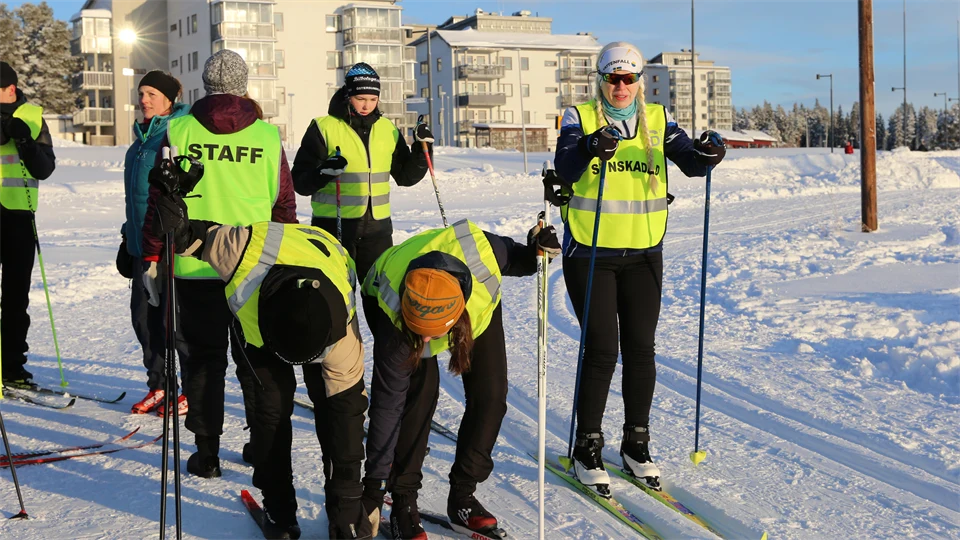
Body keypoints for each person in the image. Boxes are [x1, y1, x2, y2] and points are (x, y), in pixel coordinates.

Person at [553, 42, 726, 497]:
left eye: (630, 79)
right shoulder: (580, 116)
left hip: (645, 251)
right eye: (614, 78)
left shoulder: (658, 120)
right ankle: (587, 445)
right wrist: (592, 145)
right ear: (600, 80)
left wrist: (708, 154)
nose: (622, 86)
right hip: (590, 251)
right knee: (602, 349)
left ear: (640, 81)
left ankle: (636, 442)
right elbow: (566, 166)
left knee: (641, 349)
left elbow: (689, 161)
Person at [151, 183, 369, 540]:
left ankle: (340, 510)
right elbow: (190, 236)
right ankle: (281, 511)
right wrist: (172, 213)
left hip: (320, 281)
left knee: (338, 411)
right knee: (271, 411)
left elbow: (348, 418)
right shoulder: (242, 251)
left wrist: (348, 506)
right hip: (265, 322)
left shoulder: (343, 333)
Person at [142, 50, 297, 479]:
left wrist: (153, 255)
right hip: (253, 262)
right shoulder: (267, 137)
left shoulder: (179, 128)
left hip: (193, 264)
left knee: (204, 361)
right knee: (255, 357)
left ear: (204, 86)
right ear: (244, 87)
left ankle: (207, 453)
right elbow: (284, 203)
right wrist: (288, 254)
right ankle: (260, 446)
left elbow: (160, 199)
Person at [359, 219, 560, 539]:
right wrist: (372, 490)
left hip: (469, 308)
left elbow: (524, 259)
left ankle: (463, 496)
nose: (426, 343)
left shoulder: (484, 257)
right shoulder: (394, 314)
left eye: (433, 336)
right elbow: (387, 407)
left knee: (491, 396)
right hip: (391, 298)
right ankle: (402, 501)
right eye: (420, 335)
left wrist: (540, 249)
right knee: (420, 394)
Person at [291, 62, 433, 282]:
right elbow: (299, 183)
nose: (367, 105)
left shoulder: (387, 129)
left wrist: (422, 148)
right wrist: (324, 172)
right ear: (348, 95)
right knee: (336, 297)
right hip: (333, 228)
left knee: (381, 297)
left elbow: (406, 177)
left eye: (373, 99)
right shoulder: (323, 127)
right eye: (361, 99)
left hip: (378, 231)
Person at [118, 70, 191, 415]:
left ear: (170, 99)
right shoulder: (140, 142)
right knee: (143, 320)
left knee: (173, 322)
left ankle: (189, 389)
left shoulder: (176, 135)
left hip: (166, 245)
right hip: (139, 242)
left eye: (151, 94)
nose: (143, 100)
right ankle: (160, 386)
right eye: (141, 93)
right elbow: (137, 197)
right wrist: (126, 234)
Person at [0, 61, 56, 384]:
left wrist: (26, 144)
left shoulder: (33, 118)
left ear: (11, 89)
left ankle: (11, 366)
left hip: (20, 219)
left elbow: (45, 168)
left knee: (16, 298)